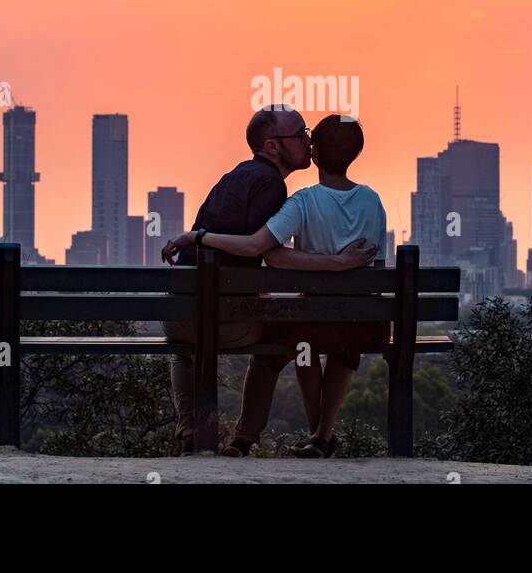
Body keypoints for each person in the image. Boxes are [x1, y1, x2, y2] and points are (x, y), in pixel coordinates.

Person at [163, 114, 386, 458]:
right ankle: (253, 438)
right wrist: (340, 263)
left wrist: (197, 236)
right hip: (240, 321)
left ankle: (192, 434)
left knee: (187, 351)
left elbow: (263, 248)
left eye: (308, 136)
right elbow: (261, 249)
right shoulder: (284, 188)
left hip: (181, 315)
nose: (305, 141)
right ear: (272, 146)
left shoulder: (237, 179)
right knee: (284, 343)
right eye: (299, 135)